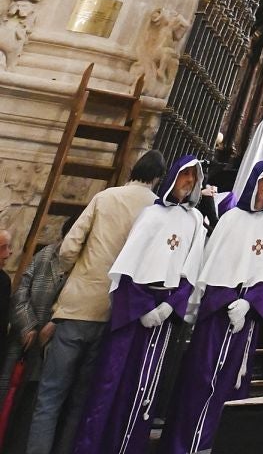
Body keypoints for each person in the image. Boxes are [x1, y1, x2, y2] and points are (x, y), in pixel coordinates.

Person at [26, 151, 166, 454]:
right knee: (83, 398)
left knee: (50, 396)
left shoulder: (106, 197)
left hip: (77, 305)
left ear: (133, 168)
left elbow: (68, 247)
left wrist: (77, 272)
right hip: (114, 312)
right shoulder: (156, 209)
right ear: (159, 178)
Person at [72, 156, 206, 454]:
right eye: (184, 175)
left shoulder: (195, 221)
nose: (188, 182)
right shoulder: (151, 215)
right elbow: (128, 267)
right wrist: (143, 307)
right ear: (172, 176)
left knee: (146, 392)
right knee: (113, 383)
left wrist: (170, 307)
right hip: (136, 314)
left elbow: (190, 272)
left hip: (165, 314)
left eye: (193, 178)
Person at [159, 161, 263, 454]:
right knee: (200, 376)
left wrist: (249, 302)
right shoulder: (230, 220)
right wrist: (228, 299)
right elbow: (211, 266)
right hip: (217, 316)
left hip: (247, 320)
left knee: (232, 382)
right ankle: (184, 446)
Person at [0, 217, 73, 454]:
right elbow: (22, 290)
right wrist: (28, 325)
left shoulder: (81, 267)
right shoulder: (46, 256)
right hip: (24, 339)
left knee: (32, 404)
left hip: (51, 347)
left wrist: (53, 324)